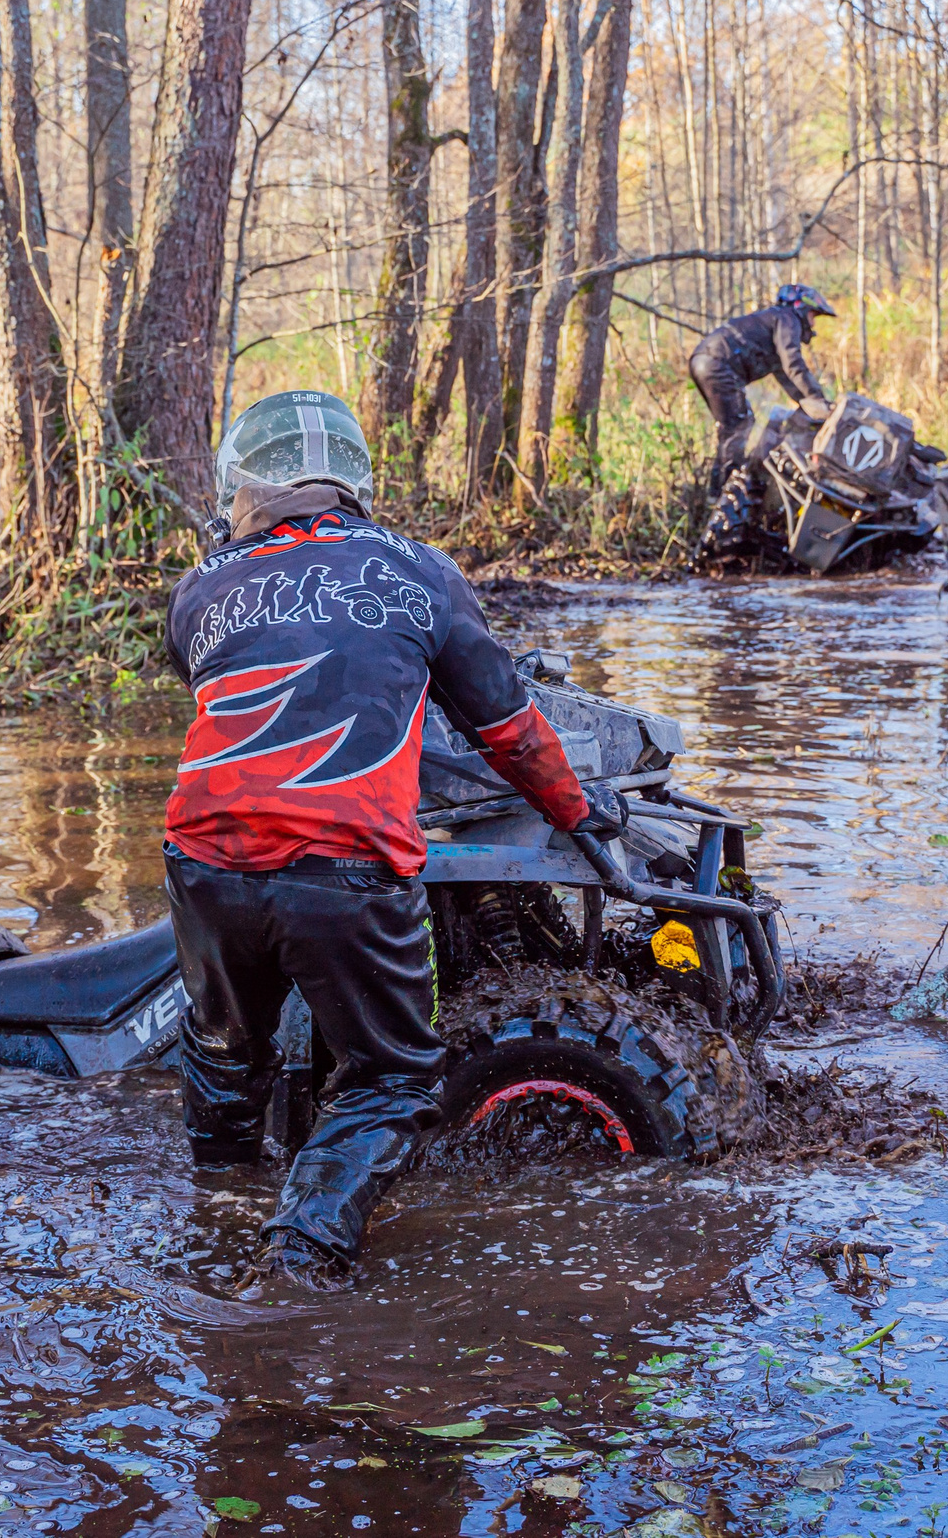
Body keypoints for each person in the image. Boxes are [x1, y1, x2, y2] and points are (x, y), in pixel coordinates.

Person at [162, 390, 629, 1294]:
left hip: (203, 859)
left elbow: (218, 687)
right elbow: (510, 726)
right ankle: (302, 1257)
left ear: (243, 490)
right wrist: (579, 817)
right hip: (345, 866)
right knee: (393, 1079)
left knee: (225, 1049)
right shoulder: (421, 570)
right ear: (354, 481)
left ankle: (217, 1210)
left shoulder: (201, 586)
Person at [687, 284, 838, 482]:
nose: (813, 324)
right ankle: (723, 494)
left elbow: (787, 376)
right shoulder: (787, 318)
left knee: (736, 425)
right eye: (813, 316)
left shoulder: (773, 324)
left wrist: (811, 405)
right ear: (801, 308)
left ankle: (724, 488)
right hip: (717, 362)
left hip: (705, 360)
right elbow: (793, 363)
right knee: (738, 428)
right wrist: (819, 400)